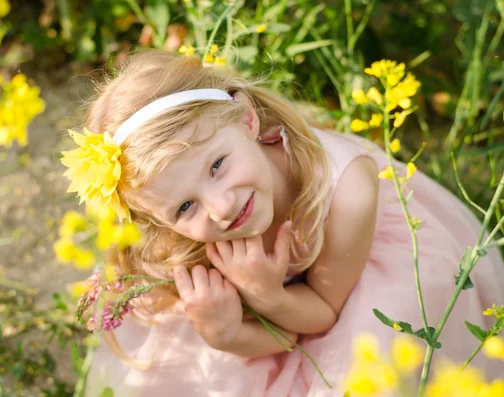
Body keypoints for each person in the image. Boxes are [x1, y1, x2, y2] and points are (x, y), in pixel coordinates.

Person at [73, 50, 504, 396]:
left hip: (350, 278)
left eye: (218, 165)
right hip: (279, 308)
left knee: (380, 358)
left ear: (247, 119)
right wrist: (224, 334)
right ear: (155, 219)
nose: (221, 209)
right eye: (185, 207)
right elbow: (285, 341)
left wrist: (266, 294)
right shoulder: (182, 240)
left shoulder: (347, 187)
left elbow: (324, 314)